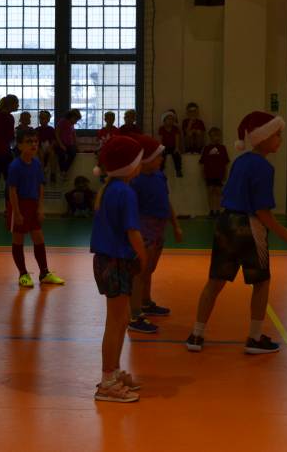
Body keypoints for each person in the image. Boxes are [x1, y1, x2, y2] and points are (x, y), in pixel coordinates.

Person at [186, 111, 287, 354]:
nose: (280, 139)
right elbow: (262, 210)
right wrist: (283, 232)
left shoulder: (240, 161)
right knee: (261, 281)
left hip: (225, 222)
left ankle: (196, 334)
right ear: (263, 138)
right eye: (277, 135)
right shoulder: (264, 167)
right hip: (248, 226)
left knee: (215, 282)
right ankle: (255, 338)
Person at [90, 136, 147, 402]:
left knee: (121, 319)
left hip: (108, 261)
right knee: (115, 322)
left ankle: (113, 372)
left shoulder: (112, 188)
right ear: (129, 165)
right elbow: (132, 231)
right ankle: (107, 382)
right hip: (114, 262)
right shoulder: (125, 192)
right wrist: (143, 257)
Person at [127, 134, 183, 334]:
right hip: (145, 227)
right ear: (146, 159)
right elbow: (130, 208)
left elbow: (166, 202)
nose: (161, 159)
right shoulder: (135, 181)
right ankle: (134, 315)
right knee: (140, 271)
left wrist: (175, 225)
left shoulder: (160, 176)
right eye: (158, 156)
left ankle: (145, 302)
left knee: (149, 269)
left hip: (159, 227)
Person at [6, 128, 65, 288]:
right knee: (18, 239)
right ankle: (23, 274)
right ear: (19, 145)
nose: (33, 144)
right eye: (29, 142)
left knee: (39, 237)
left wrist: (40, 208)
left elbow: (40, 186)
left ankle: (44, 273)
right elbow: (12, 191)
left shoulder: (37, 163)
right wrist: (17, 212)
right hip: (19, 205)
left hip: (33, 205)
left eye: (35, 141)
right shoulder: (15, 166)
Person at [199, 127, 231, 217]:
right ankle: (211, 210)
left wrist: (225, 174)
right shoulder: (206, 148)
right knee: (210, 191)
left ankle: (218, 210)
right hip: (209, 173)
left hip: (219, 173)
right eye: (213, 136)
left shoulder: (222, 148)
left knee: (218, 192)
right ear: (210, 137)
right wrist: (203, 173)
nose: (216, 138)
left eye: (217, 135)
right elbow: (202, 163)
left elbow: (225, 163)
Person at [55, 109, 82, 181]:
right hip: (61, 143)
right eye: (75, 119)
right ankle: (62, 171)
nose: (76, 122)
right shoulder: (62, 121)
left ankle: (64, 171)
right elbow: (57, 133)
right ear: (72, 116)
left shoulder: (72, 124)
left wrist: (76, 146)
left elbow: (73, 135)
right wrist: (61, 145)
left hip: (69, 144)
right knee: (61, 155)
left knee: (73, 154)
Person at [157, 110, 182, 177]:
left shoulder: (175, 128)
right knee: (162, 156)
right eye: (168, 119)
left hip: (173, 147)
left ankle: (178, 170)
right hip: (164, 147)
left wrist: (177, 148)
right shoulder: (161, 129)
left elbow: (177, 139)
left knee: (177, 155)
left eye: (172, 119)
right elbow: (160, 140)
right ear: (164, 120)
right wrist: (161, 149)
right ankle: (160, 171)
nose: (170, 121)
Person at [36, 110, 57, 183]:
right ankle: (42, 175)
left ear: (48, 120)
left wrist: (50, 147)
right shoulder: (37, 130)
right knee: (41, 155)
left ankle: (53, 174)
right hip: (40, 147)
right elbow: (36, 141)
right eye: (41, 118)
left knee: (52, 155)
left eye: (44, 118)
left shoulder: (51, 129)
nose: (42, 120)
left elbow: (54, 140)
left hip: (49, 146)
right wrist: (39, 148)